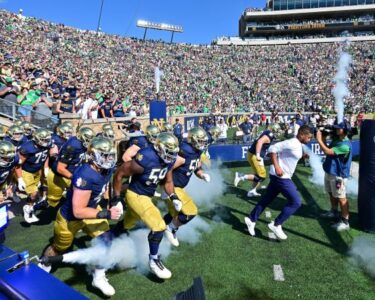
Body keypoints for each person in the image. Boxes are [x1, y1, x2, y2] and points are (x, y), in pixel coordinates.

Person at [40, 137, 121, 297]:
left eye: (110, 155)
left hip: (91, 209)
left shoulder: (106, 168)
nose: (109, 159)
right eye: (104, 155)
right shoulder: (85, 174)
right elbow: (78, 211)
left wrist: (112, 199)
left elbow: (107, 185)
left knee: (107, 240)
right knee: (59, 248)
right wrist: (106, 213)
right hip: (71, 217)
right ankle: (44, 266)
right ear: (93, 155)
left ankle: (98, 277)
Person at [113, 132, 179, 279]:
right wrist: (116, 199)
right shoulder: (146, 157)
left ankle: (109, 238)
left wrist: (173, 196)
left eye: (173, 152)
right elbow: (119, 173)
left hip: (146, 196)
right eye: (169, 152)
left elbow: (168, 181)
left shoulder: (167, 160)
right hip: (136, 195)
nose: (171, 156)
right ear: (160, 148)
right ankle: (154, 260)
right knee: (159, 225)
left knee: (127, 224)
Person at [244, 125, 313, 240]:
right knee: (296, 202)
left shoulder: (298, 145)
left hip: (278, 176)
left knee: (266, 199)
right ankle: (276, 224)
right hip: (281, 177)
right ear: (301, 134)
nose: (309, 140)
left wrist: (302, 157)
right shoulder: (292, 143)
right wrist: (277, 167)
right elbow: (272, 150)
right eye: (309, 137)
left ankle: (251, 219)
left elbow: (288, 156)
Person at [163, 127, 211, 247]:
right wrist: (167, 187)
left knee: (174, 214)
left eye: (203, 141)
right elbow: (167, 168)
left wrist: (202, 174)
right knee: (190, 211)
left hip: (178, 187)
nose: (203, 144)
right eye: (200, 141)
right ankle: (170, 229)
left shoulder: (196, 151)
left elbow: (196, 167)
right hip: (173, 187)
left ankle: (158, 232)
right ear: (193, 140)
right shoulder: (185, 151)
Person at [316, 120, 352, 231]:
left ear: (345, 130)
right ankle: (334, 212)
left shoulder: (345, 145)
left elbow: (327, 151)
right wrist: (323, 137)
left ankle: (345, 221)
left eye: (338, 128)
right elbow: (327, 147)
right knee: (331, 193)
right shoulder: (337, 139)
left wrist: (318, 139)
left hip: (338, 175)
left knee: (342, 197)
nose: (336, 130)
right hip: (330, 171)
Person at [47, 127, 95, 208]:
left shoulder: (81, 143)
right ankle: (32, 208)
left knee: (80, 197)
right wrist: (76, 178)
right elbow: (60, 168)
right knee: (51, 203)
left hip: (71, 173)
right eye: (88, 139)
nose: (89, 142)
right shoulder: (73, 146)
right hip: (59, 176)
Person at [16, 128, 53, 223]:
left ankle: (31, 206)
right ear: (36, 138)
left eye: (47, 140)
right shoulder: (27, 148)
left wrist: (45, 167)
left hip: (37, 170)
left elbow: (45, 156)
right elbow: (18, 164)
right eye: (44, 140)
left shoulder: (46, 145)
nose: (46, 142)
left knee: (37, 191)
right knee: (33, 193)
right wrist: (20, 178)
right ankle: (27, 209)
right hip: (26, 171)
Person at [234, 124, 282, 197]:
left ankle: (252, 191)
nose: (278, 132)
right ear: (274, 130)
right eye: (277, 130)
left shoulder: (267, 132)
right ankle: (241, 176)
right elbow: (260, 142)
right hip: (255, 155)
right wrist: (258, 154)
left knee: (257, 175)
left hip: (252, 153)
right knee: (261, 176)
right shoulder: (269, 135)